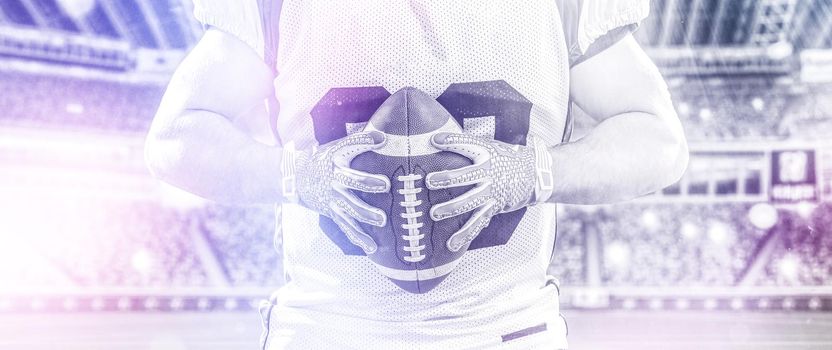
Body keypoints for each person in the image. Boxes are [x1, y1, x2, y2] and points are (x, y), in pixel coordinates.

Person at [144, 1, 688, 348]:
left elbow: (657, 140)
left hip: (503, 329)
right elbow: (176, 138)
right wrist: (296, 175)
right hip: (330, 330)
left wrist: (532, 172)